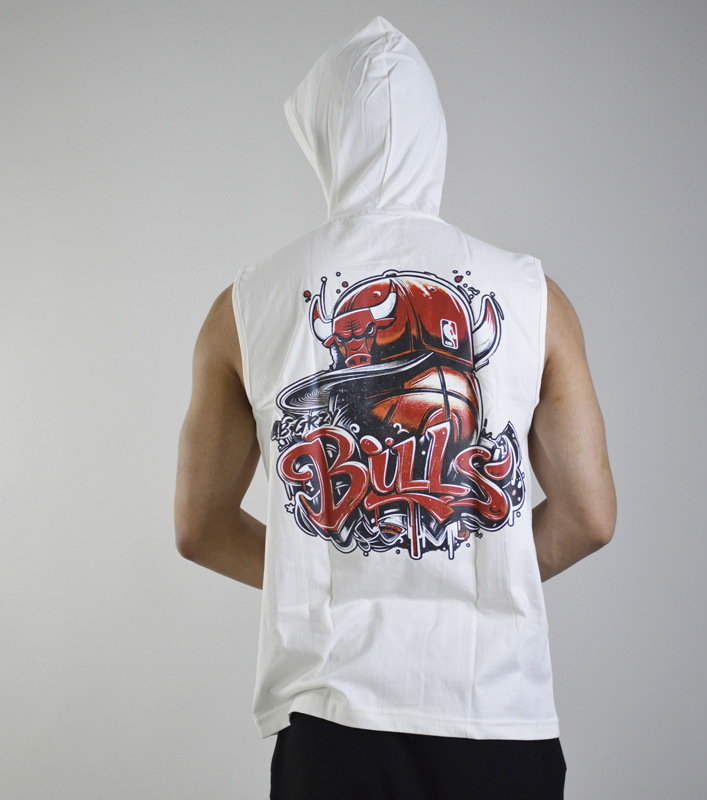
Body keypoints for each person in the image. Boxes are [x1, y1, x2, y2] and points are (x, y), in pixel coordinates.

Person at [174, 16, 615, 800]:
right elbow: (590, 516)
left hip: (333, 724)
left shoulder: (244, 306)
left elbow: (199, 526)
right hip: (500, 718)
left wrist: (339, 571)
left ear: (327, 141)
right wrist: (473, 565)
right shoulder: (535, 297)